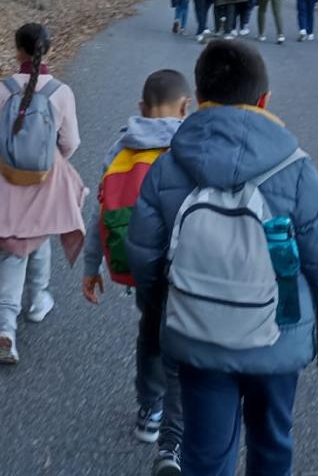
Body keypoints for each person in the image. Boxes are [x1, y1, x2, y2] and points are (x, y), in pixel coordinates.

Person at [128, 41, 318, 476]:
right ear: (264, 101)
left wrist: (159, 307)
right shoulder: (295, 169)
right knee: (272, 442)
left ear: (197, 98)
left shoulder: (169, 165)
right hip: (278, 339)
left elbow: (144, 253)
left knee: (205, 451)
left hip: (198, 337)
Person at [0, 24, 85, 364]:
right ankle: (38, 301)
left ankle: (6, 327)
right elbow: (70, 142)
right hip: (43, 177)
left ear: (18, 51)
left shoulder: (4, 89)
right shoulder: (61, 92)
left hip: (4, 175)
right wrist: (50, 161)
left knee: (11, 247)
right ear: (48, 51)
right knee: (38, 235)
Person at [82, 69, 191, 476]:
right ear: (186, 106)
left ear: (141, 109)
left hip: (142, 271)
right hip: (187, 270)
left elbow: (102, 212)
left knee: (150, 336)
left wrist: (92, 267)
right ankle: (176, 438)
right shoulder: (191, 147)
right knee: (180, 346)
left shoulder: (121, 149)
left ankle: (149, 411)